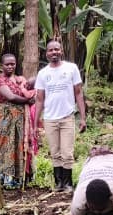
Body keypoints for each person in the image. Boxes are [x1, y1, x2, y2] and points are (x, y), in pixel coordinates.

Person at [34, 40, 87, 192]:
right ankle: (58, 183)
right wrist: (36, 122)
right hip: (49, 118)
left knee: (67, 153)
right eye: (51, 50)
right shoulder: (43, 73)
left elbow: (78, 93)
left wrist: (83, 118)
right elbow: (39, 99)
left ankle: (68, 183)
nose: (54, 52)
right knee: (55, 152)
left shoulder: (71, 68)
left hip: (67, 117)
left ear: (61, 51)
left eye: (56, 49)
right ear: (46, 53)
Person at [0, 53, 38, 189]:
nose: (10, 66)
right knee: (6, 144)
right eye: (7, 64)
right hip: (6, 116)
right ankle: (6, 177)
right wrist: (28, 100)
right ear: (1, 65)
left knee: (20, 144)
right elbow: (10, 97)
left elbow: (32, 86)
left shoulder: (19, 80)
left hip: (21, 117)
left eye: (13, 64)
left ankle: (20, 177)